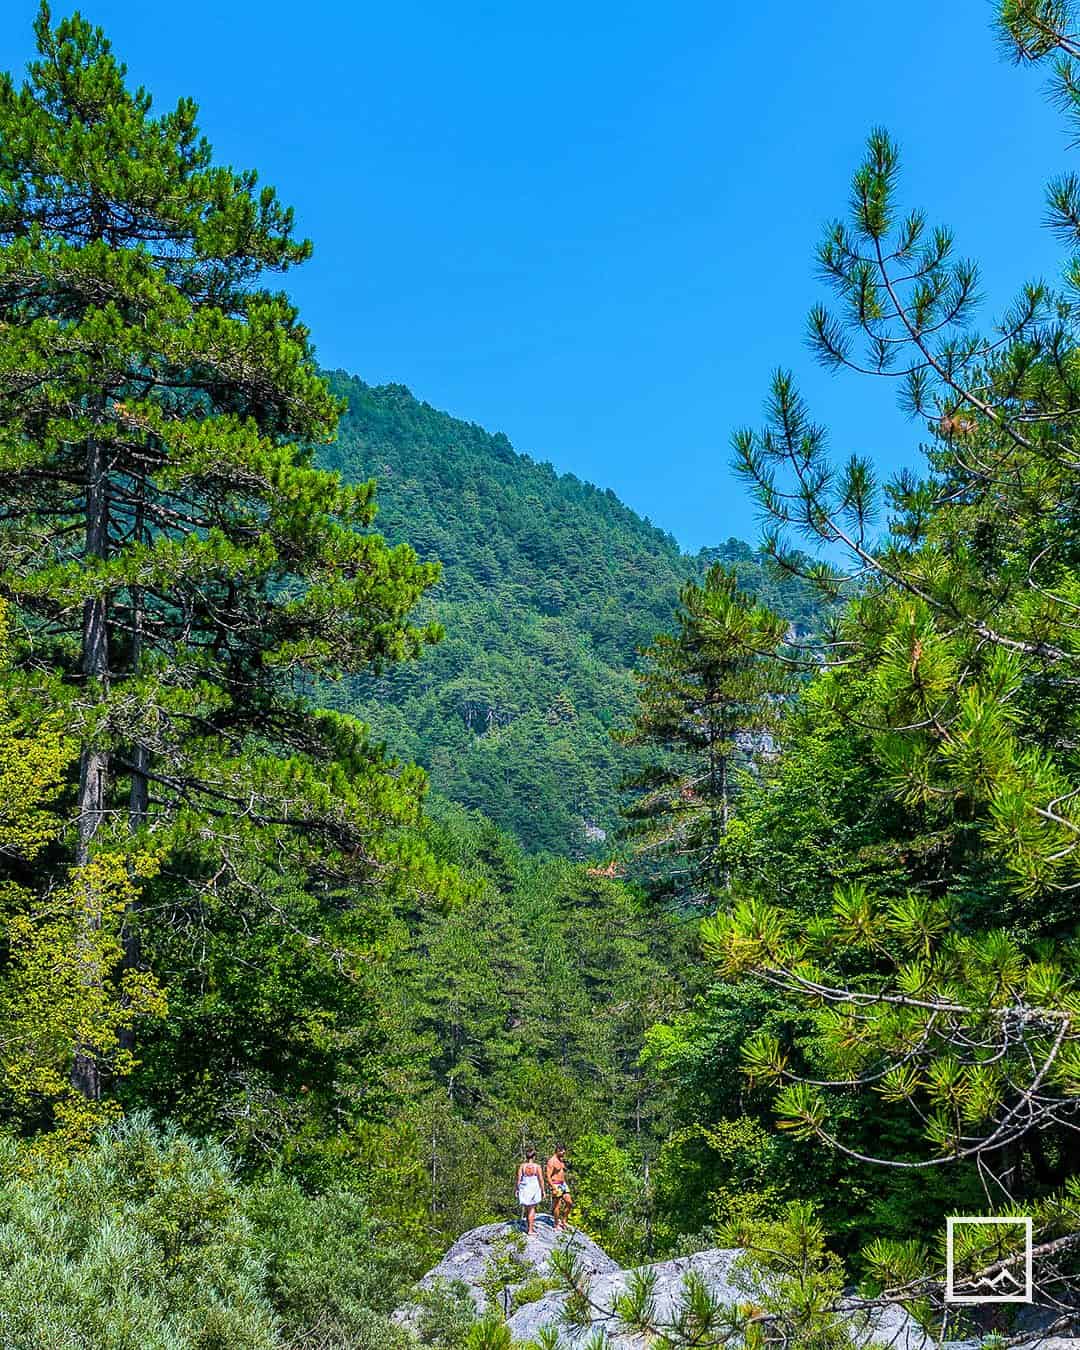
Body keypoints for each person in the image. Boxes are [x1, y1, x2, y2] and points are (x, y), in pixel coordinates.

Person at [516, 1147, 545, 1236]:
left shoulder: (522, 1166)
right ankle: (530, 1230)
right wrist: (543, 1190)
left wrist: (517, 1189)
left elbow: (519, 1179)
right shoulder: (537, 1167)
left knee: (527, 1209)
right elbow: (541, 1179)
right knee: (532, 1209)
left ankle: (528, 1227)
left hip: (525, 1188)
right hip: (533, 1188)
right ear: (534, 1156)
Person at [546, 1145, 573, 1231]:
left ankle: (564, 1221)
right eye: (562, 1152)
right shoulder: (551, 1161)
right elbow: (548, 1176)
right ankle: (556, 1224)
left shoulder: (560, 1160)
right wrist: (553, 1187)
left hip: (563, 1184)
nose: (563, 1154)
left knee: (569, 1203)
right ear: (557, 1151)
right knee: (557, 1205)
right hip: (556, 1184)